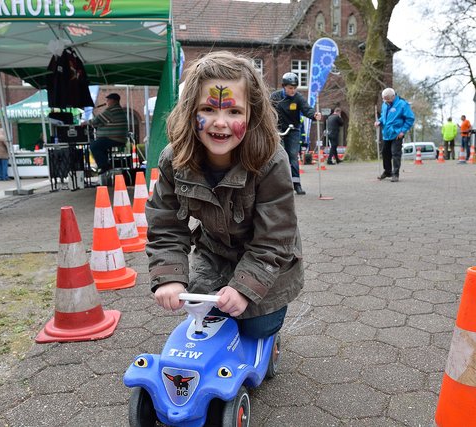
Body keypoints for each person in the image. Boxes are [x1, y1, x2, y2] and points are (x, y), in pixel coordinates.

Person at [146, 51, 303, 340]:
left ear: (251, 114)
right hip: (216, 254)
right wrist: (168, 276)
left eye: (233, 112)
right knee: (213, 316)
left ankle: (267, 321)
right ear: (190, 110)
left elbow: (276, 236)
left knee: (256, 328)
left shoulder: (271, 160)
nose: (220, 122)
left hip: (270, 259)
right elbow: (165, 223)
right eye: (208, 109)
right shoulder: (174, 160)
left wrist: (244, 287)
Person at [270, 72, 322, 195]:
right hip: (278, 130)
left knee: (293, 156)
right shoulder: (275, 97)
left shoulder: (298, 98)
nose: (292, 91)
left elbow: (306, 109)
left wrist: (314, 115)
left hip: (293, 130)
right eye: (290, 88)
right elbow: (267, 110)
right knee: (279, 157)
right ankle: (279, 185)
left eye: (294, 88)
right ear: (284, 86)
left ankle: (296, 184)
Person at [375, 88, 415, 182]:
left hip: (397, 134)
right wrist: (379, 122)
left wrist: (403, 131)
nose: (386, 101)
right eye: (384, 99)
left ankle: (395, 174)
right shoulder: (385, 104)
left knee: (395, 153)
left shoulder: (402, 104)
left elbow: (410, 119)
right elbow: (383, 117)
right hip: (386, 133)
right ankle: (387, 171)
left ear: (393, 96)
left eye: (388, 99)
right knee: (385, 153)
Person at [86, 93, 128, 174]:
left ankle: (104, 166)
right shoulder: (118, 110)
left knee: (94, 146)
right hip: (119, 138)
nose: (107, 102)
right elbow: (102, 121)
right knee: (100, 146)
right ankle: (105, 167)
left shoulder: (111, 110)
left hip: (114, 139)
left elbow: (96, 120)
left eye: (108, 100)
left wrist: (85, 122)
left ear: (113, 101)